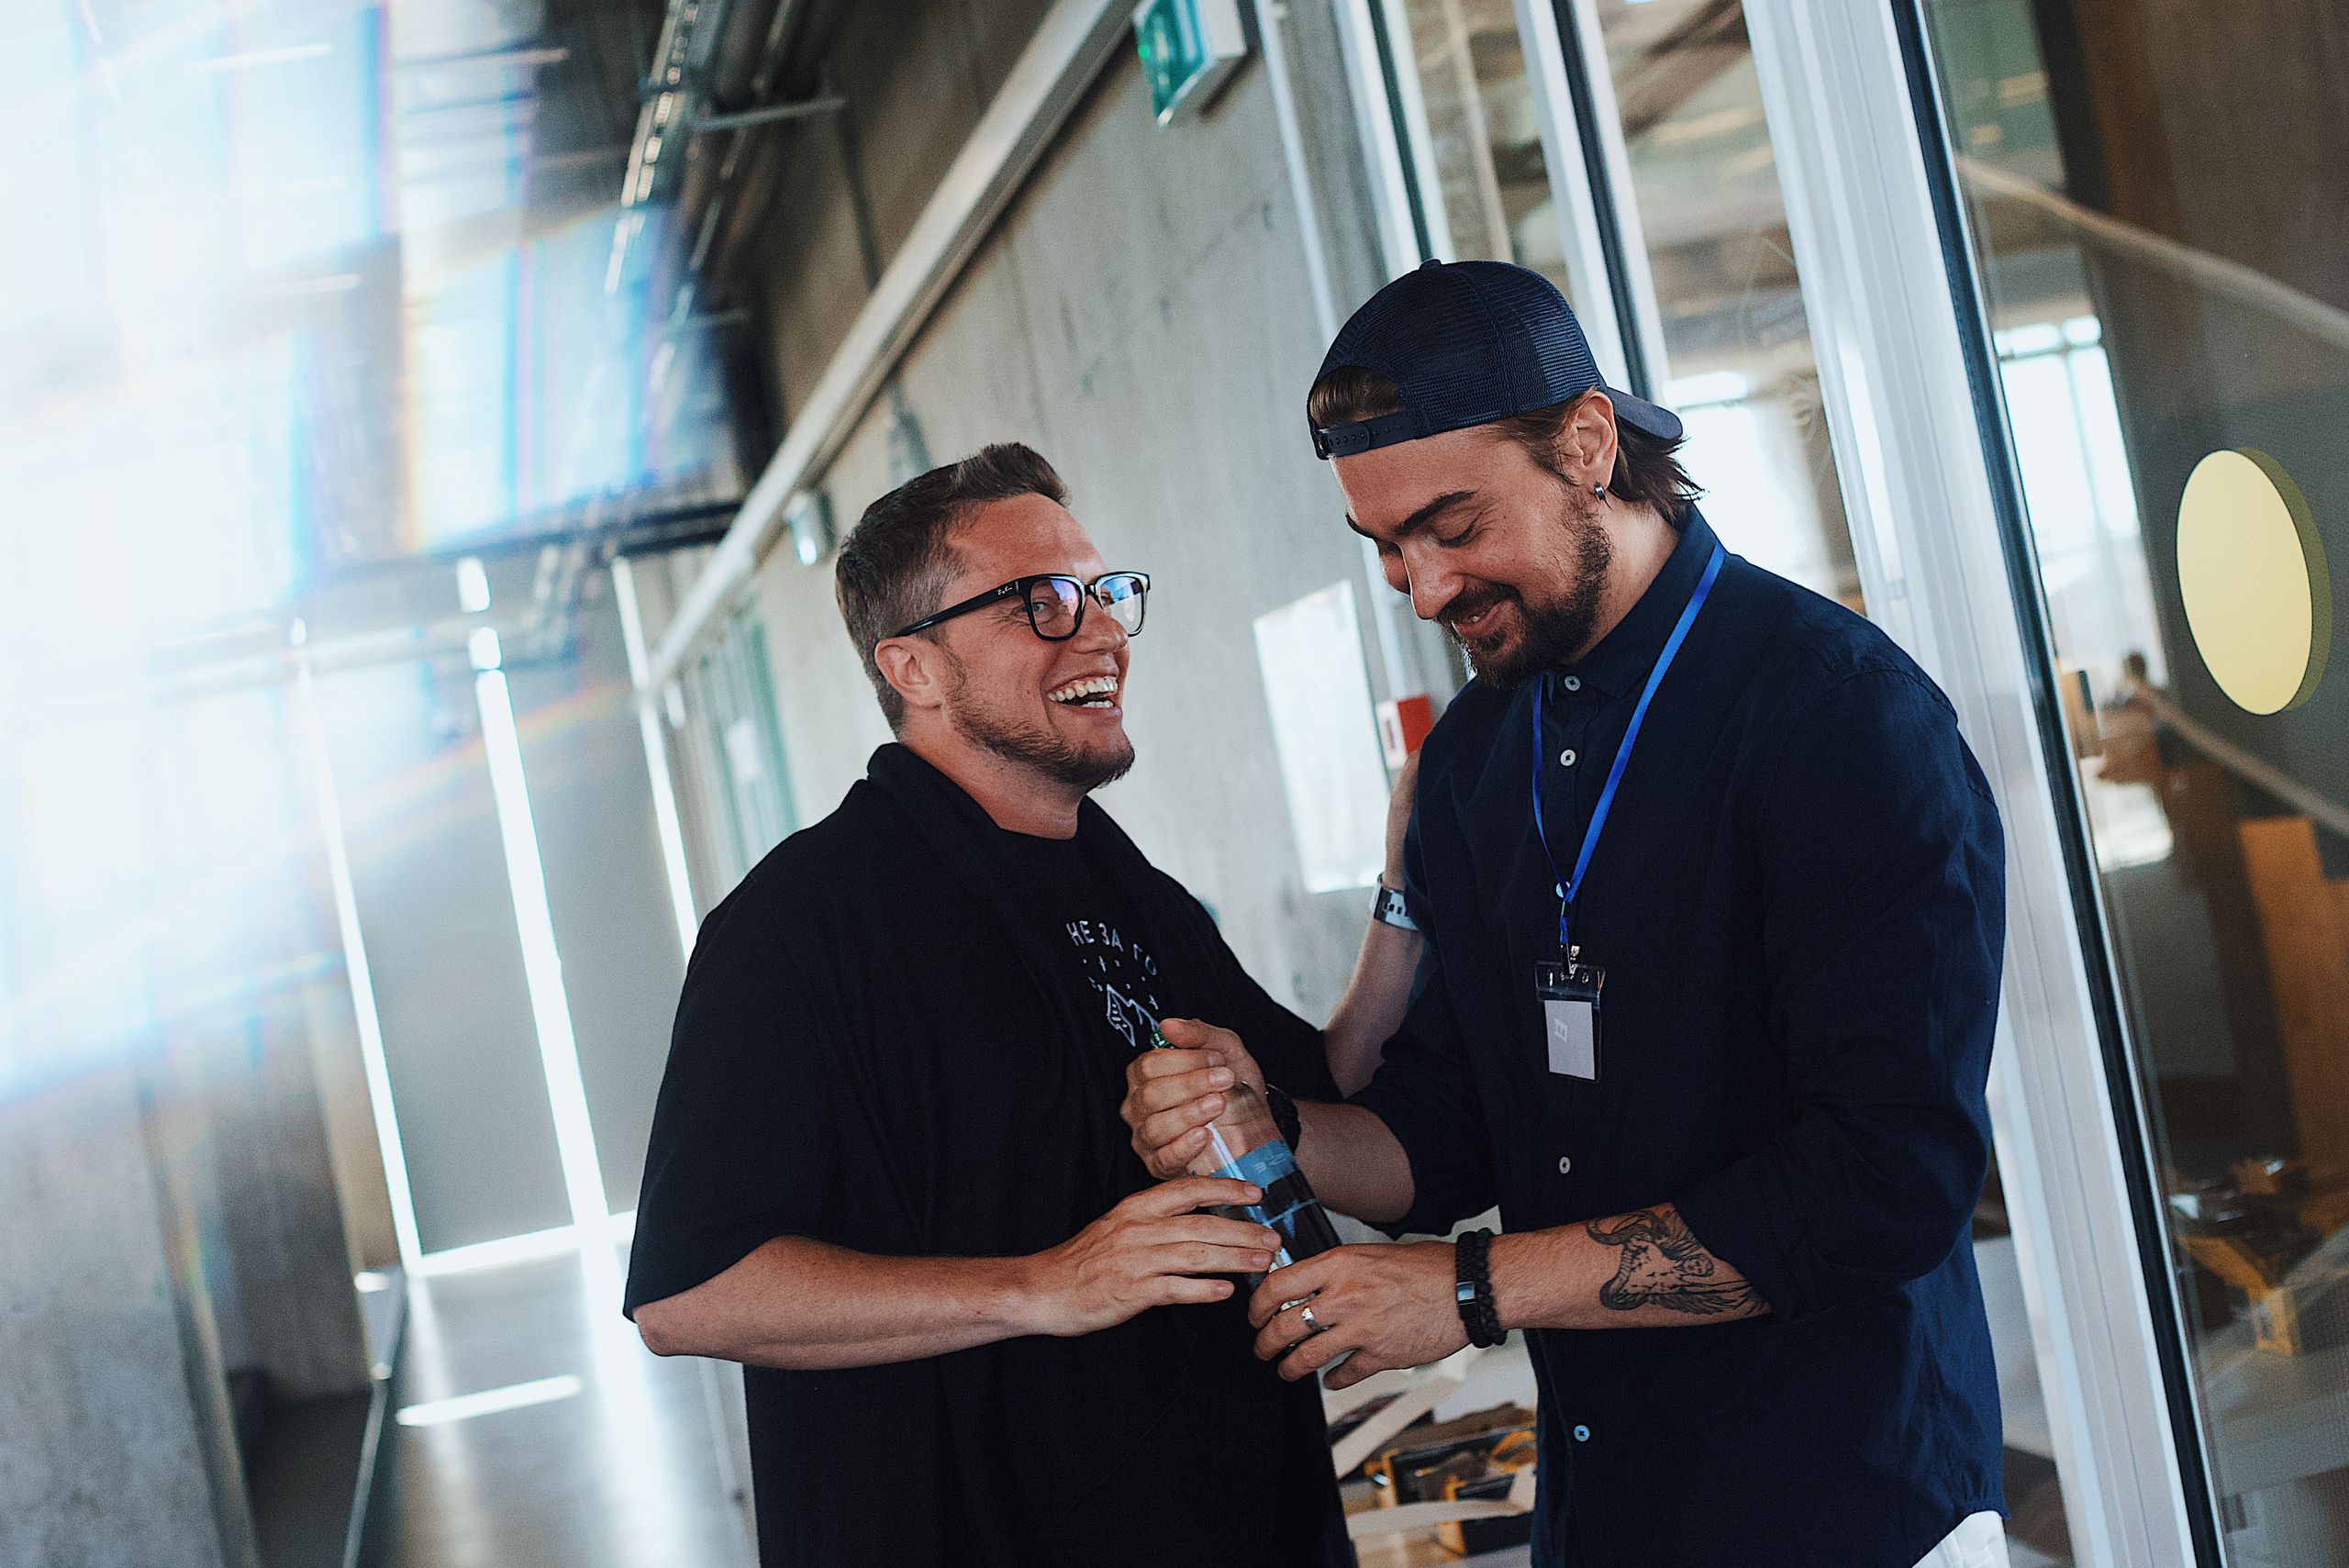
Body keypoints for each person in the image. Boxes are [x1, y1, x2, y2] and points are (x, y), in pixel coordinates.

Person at [1123, 261, 2010, 1568]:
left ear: (1590, 444)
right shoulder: (1482, 754)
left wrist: (1471, 1293)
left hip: (1851, 1507)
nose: (1423, 590)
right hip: (1609, 1512)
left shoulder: (1838, 717)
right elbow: (1455, 1126)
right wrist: (1273, 1133)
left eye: (1451, 523)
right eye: (1384, 550)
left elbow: (1886, 1185)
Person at [623, 442, 1417, 1566]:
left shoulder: (1131, 887)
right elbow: (690, 1293)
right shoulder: (801, 925)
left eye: (1103, 592)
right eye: (1040, 602)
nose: (1098, 629)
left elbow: (1326, 1089)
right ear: (916, 669)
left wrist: (1405, 882)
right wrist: (1043, 1286)